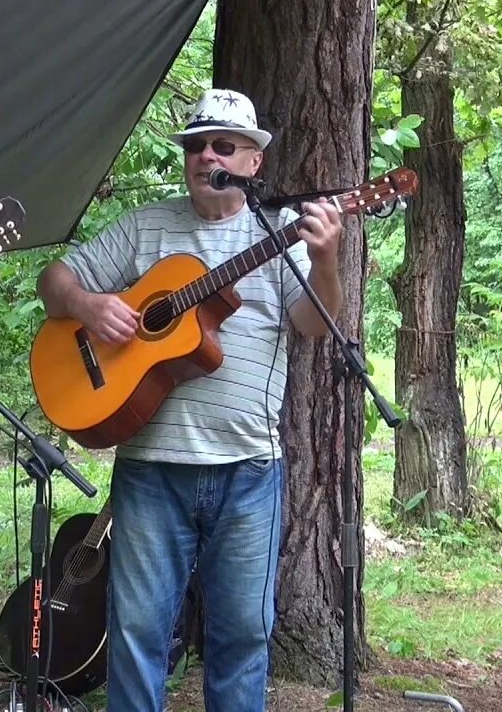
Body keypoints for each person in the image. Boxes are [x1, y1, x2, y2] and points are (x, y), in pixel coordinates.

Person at [36, 88, 344, 711]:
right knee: (136, 633)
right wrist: (90, 306)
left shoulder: (278, 232)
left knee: (243, 635)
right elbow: (54, 281)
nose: (207, 156)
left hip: (249, 469)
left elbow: (316, 324)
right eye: (196, 146)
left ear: (253, 162)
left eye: (222, 146)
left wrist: (327, 259)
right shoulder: (147, 225)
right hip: (151, 470)